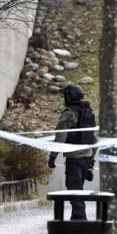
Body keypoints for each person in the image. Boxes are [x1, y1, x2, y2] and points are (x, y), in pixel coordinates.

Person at [47, 83, 96, 220]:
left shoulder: (69, 113)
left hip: (74, 158)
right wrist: (91, 160)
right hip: (87, 156)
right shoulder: (88, 113)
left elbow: (60, 136)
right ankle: (76, 216)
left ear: (69, 97)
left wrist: (52, 156)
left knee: (74, 189)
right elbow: (93, 138)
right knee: (78, 188)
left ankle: (80, 219)